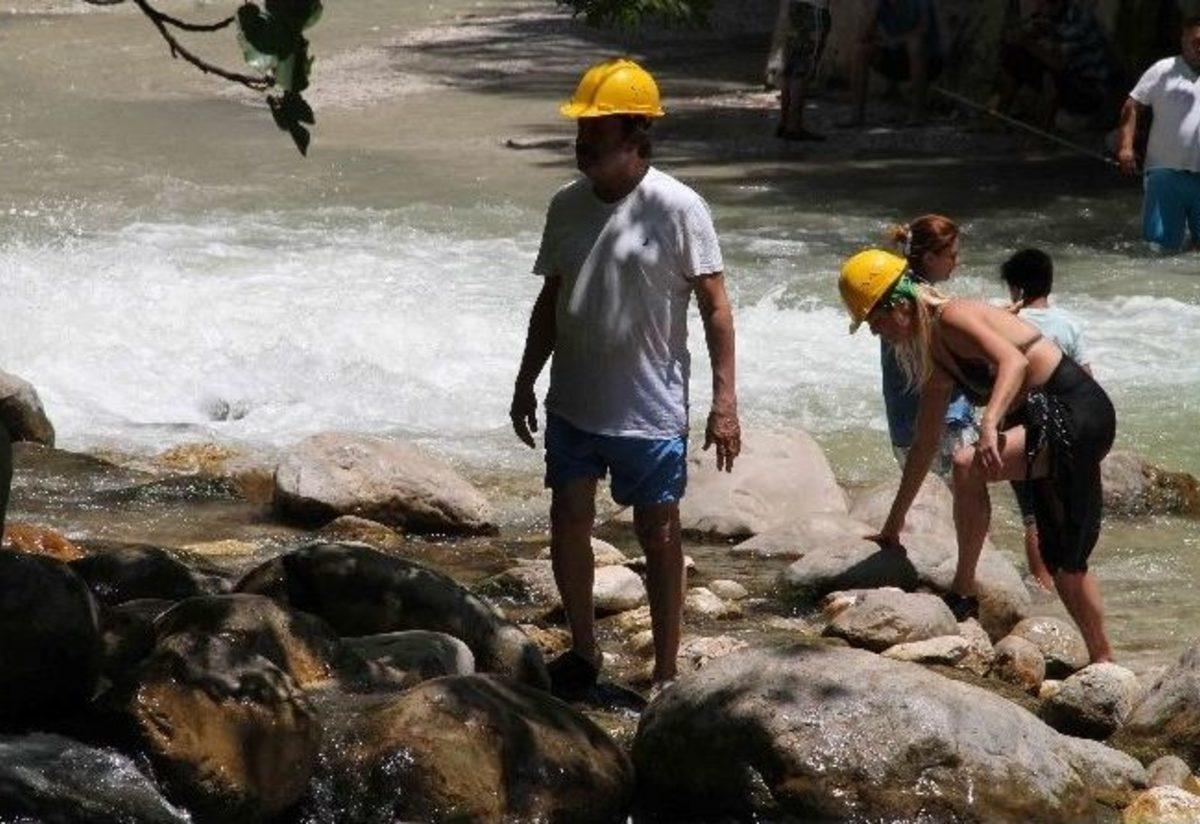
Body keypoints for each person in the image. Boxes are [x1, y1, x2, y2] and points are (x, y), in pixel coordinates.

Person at [511, 57, 741, 698]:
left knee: (658, 532)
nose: (582, 143)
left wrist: (725, 403)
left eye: (596, 131)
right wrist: (526, 378)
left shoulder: (678, 207)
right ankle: (585, 653)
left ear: (637, 136)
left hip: (649, 407)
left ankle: (665, 673)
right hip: (574, 400)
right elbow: (552, 299)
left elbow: (717, 309)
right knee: (567, 518)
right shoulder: (566, 204)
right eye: (580, 130)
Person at [839, 249, 1116, 664]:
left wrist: (989, 424)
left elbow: (1014, 363)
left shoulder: (953, 317)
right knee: (1063, 559)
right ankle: (1103, 659)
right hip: (1042, 420)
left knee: (968, 465)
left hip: (1078, 411)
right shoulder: (935, 353)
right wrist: (892, 526)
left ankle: (963, 591)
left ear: (898, 305)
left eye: (874, 321)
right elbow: (924, 444)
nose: (876, 332)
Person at [1000, 248, 1092, 592]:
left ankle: (1043, 586)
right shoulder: (1068, 324)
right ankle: (1070, 580)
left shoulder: (1007, 322)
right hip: (1065, 424)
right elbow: (1086, 379)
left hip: (1020, 423)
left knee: (1032, 513)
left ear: (1016, 289)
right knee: (1062, 507)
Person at [881, 216, 976, 479]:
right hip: (944, 423)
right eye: (951, 256)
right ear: (930, 258)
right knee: (963, 500)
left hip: (904, 428)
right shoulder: (917, 296)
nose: (957, 262)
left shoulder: (897, 290)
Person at [1116, 15, 1200, 252]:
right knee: (1159, 250)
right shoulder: (1163, 70)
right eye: (1196, 42)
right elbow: (1132, 106)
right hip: (1165, 174)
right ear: (1184, 40)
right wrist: (1125, 148)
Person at [996, 0, 1119, 128]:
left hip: (1087, 88)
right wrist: (1026, 34)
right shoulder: (1049, 16)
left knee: (1051, 72)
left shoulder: (1078, 19)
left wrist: (1027, 43)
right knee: (1013, 55)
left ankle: (1044, 127)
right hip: (1068, 79)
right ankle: (1000, 115)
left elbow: (1058, 63)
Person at [844, 0, 943, 127]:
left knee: (915, 45)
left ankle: (918, 113)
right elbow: (865, 36)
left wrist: (894, 41)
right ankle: (857, 115)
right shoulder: (882, 5)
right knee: (861, 50)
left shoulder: (920, 3)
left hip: (928, 63)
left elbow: (923, 29)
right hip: (897, 62)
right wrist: (871, 14)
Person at [773, 0, 832, 141]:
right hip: (814, 8)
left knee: (791, 66)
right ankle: (794, 126)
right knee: (803, 67)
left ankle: (785, 121)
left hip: (795, 7)